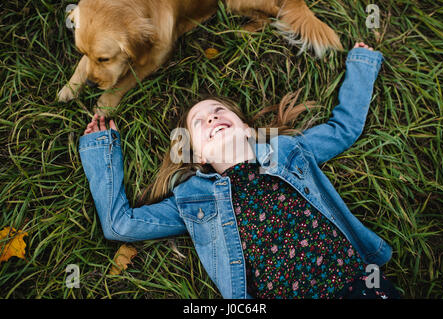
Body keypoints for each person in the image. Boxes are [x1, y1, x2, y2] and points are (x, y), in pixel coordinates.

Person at [79, 42, 400, 299]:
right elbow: (121, 226)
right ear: (199, 154)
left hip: (359, 287)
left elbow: (342, 129)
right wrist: (99, 152)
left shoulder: (289, 151)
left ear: (245, 127)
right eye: (200, 122)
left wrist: (362, 64)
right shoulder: (194, 200)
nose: (212, 118)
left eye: (219, 111)